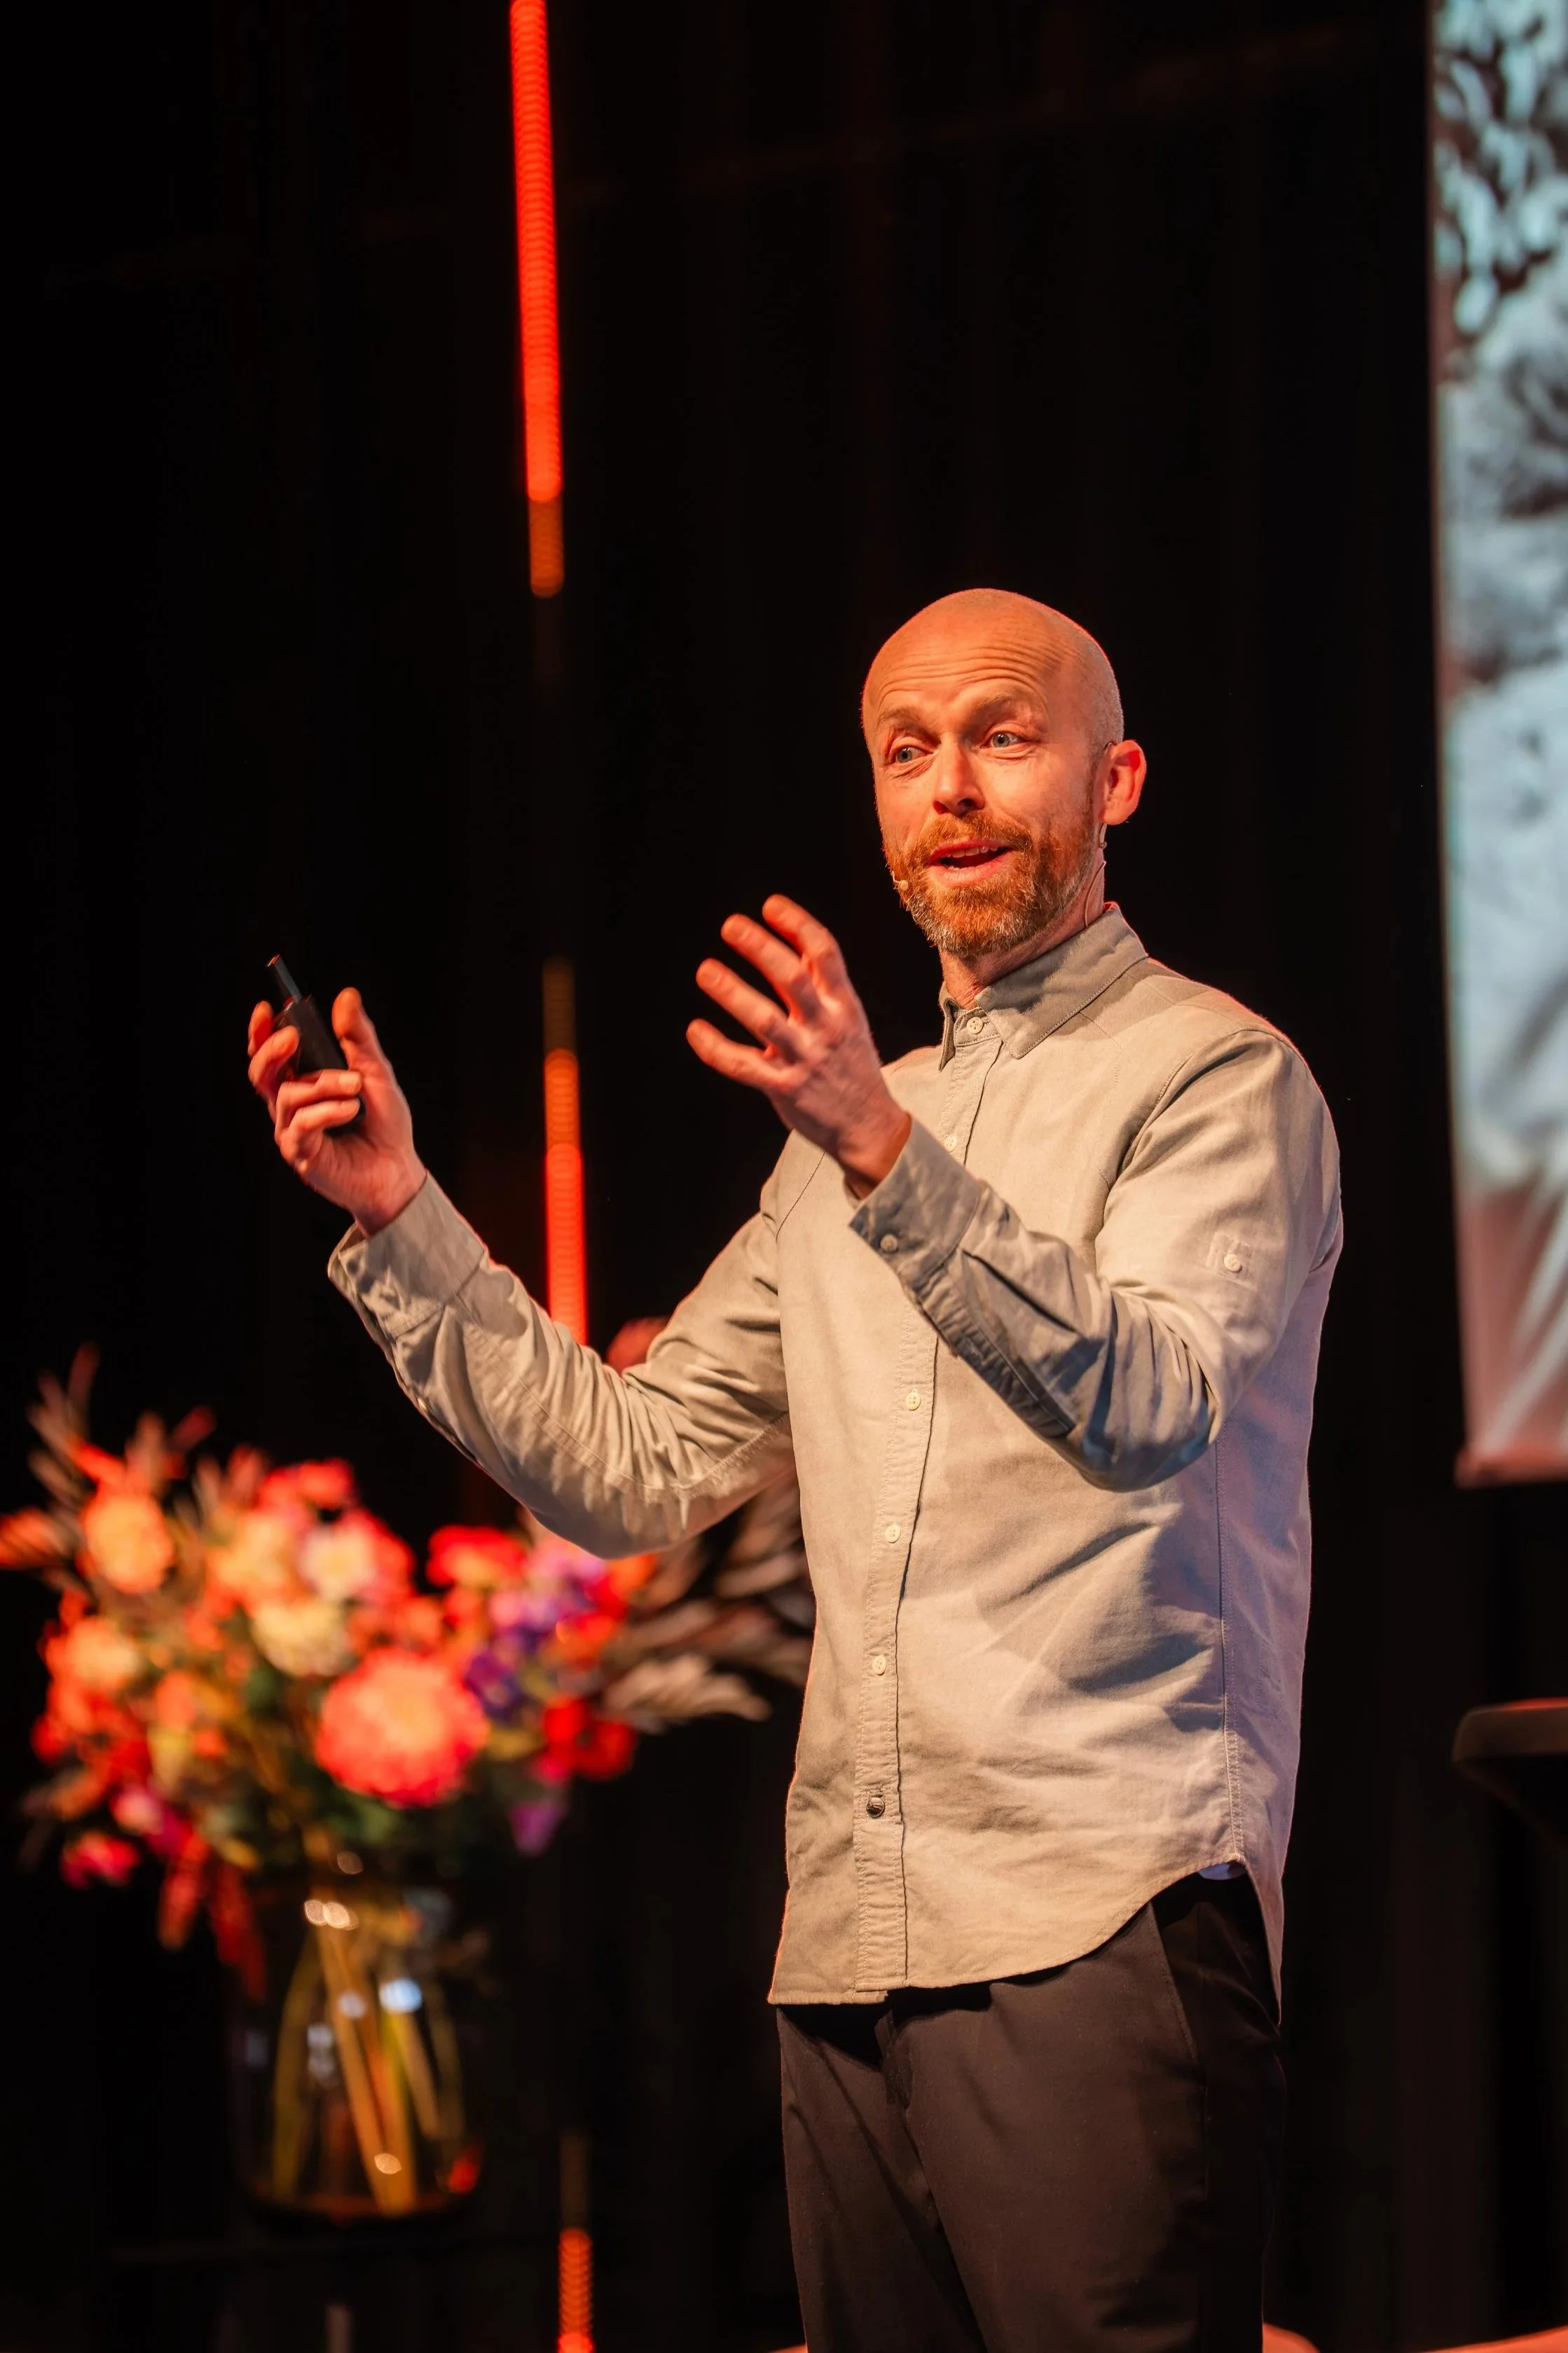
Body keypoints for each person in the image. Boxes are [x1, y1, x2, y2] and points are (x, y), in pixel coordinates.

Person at [248, 589, 1342, 2352]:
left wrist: (880, 1148)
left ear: (1117, 774)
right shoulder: (855, 1128)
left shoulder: (1215, 1076)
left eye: (1002, 733)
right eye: (908, 752)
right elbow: (637, 1465)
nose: (951, 787)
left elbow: (1149, 1401)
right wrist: (402, 1216)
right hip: (848, 1937)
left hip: (1098, 1913)